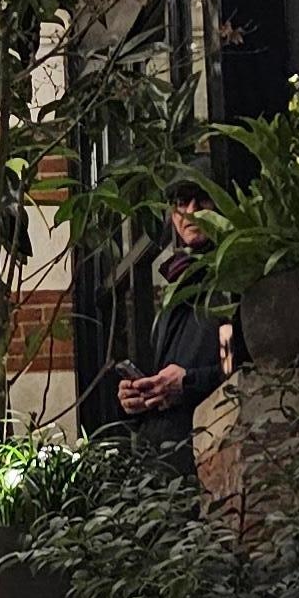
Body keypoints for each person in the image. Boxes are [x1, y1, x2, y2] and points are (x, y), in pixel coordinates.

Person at [112, 186, 229, 453]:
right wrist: (139, 397)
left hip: (215, 447)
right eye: (181, 202)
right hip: (168, 452)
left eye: (202, 200)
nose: (191, 211)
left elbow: (242, 369)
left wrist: (186, 383)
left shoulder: (235, 275)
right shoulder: (177, 281)